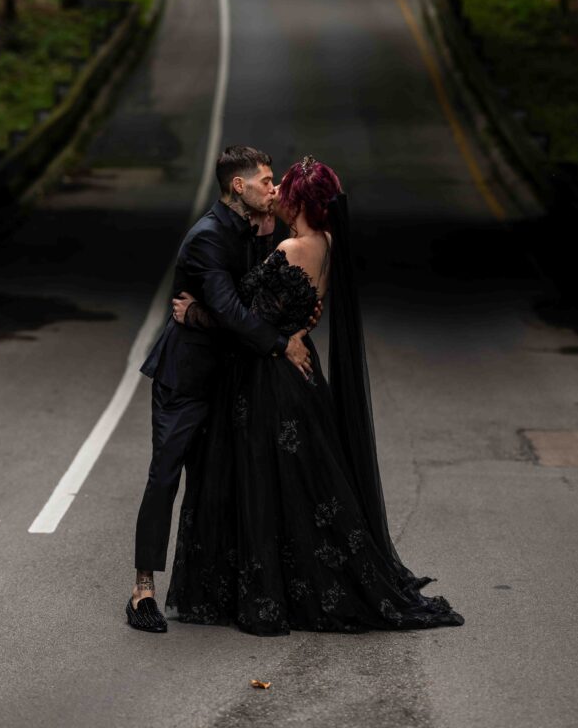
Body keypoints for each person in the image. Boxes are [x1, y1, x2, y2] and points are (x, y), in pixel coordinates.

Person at [166, 156, 464, 635]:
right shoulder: (325, 242)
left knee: (265, 485)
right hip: (299, 375)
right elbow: (302, 310)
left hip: (267, 381)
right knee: (302, 488)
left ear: (301, 201)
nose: (277, 189)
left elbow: (248, 320)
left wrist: (197, 314)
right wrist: (295, 328)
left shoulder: (292, 247)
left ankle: (270, 595)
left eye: (285, 185)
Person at [127, 145, 313, 633]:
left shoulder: (257, 230)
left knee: (224, 482)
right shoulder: (207, 238)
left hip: (234, 379)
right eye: (266, 180)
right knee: (166, 474)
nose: (273, 188)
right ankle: (142, 590)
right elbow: (233, 312)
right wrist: (280, 345)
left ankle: (219, 590)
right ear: (238, 185)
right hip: (186, 378)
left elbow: (257, 300)